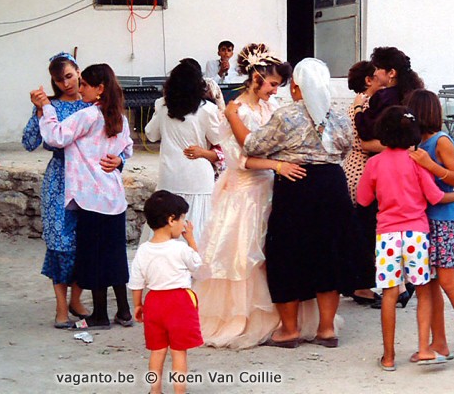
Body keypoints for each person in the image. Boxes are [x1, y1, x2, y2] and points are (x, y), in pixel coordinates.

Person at [194, 44, 316, 349]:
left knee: (273, 254)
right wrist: (277, 164)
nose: (276, 91)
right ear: (257, 77)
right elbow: (238, 158)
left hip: (272, 187)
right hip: (244, 193)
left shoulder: (269, 108)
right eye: (273, 84)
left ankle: (282, 318)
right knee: (243, 256)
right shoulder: (235, 110)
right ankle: (245, 318)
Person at [226, 58, 353, 348]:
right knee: (328, 254)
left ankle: (290, 330)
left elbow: (254, 145)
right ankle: (326, 330)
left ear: (296, 85)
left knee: (286, 255)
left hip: (297, 185)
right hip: (332, 185)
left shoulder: (287, 116)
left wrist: (233, 116)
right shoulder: (340, 117)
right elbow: (345, 148)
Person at [357, 105, 454, 371]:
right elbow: (435, 197)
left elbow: (363, 199)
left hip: (388, 235)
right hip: (417, 233)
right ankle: (425, 349)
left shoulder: (375, 163)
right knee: (424, 291)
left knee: (390, 294)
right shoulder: (417, 161)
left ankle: (389, 357)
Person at [22, 52, 120, 328]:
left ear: (78, 72)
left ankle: (77, 298)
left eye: (69, 76)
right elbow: (29, 142)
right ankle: (61, 306)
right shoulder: (51, 106)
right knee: (60, 245)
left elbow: (120, 141)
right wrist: (40, 111)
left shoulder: (94, 105)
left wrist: (120, 160)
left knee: (85, 243)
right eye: (59, 79)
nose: (66, 83)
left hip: (91, 181)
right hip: (59, 182)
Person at [353, 47, 425, 309]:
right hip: (404, 170)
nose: (373, 75)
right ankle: (404, 283)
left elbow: (367, 132)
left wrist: (360, 109)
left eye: (377, 70)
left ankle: (391, 286)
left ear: (390, 73)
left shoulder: (384, 98)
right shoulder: (406, 96)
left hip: (382, 167)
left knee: (372, 224)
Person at [405, 89, 454, 369]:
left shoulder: (441, 141)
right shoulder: (416, 144)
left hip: (445, 219)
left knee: (448, 281)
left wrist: (430, 165)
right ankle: (439, 342)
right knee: (429, 284)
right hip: (422, 220)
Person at [128, 190, 204, 394]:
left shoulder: (143, 250)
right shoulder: (180, 249)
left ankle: (155, 390)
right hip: (179, 302)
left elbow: (136, 281)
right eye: (182, 220)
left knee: (157, 350)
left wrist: (138, 304)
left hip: (153, 302)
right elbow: (197, 265)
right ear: (172, 220)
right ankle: (179, 391)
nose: (183, 225)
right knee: (179, 352)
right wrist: (192, 240)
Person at [145, 62, 221, 243]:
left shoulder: (162, 106)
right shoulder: (207, 109)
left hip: (170, 175)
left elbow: (151, 134)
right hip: (198, 176)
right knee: (199, 227)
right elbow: (219, 139)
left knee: (165, 223)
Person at [343, 61, 384, 306]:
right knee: (366, 228)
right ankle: (361, 285)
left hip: (357, 168)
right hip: (362, 169)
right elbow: (365, 143)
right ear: (369, 80)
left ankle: (360, 283)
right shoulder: (365, 104)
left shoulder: (362, 103)